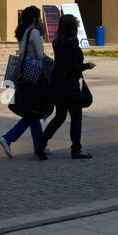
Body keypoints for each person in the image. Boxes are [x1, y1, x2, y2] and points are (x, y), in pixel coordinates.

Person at [38, 14, 95, 159]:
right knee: (76, 117)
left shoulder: (57, 42)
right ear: (72, 27)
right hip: (70, 86)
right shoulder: (72, 44)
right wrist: (87, 66)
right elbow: (74, 67)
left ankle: (41, 144)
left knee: (60, 116)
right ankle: (76, 149)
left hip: (58, 85)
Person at [0, 6, 52, 158]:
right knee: (33, 112)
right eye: (39, 17)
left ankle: (39, 145)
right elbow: (40, 55)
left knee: (33, 112)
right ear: (34, 19)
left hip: (23, 75)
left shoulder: (22, 31)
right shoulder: (34, 32)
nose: (41, 20)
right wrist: (51, 62)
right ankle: (8, 138)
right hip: (34, 76)